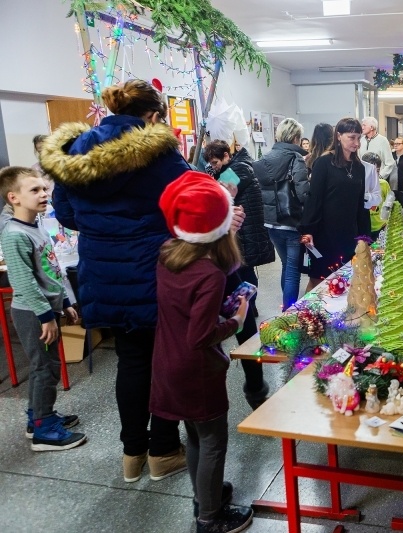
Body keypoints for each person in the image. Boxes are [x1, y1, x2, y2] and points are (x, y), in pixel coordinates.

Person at [38, 79, 188, 482]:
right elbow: (188, 206)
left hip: (101, 272)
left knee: (132, 360)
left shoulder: (75, 153)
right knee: (165, 362)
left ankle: (131, 454)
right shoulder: (161, 155)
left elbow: (67, 216)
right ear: (154, 116)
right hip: (153, 269)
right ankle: (163, 451)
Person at [150, 171, 254, 533]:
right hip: (197, 373)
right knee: (212, 441)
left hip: (167, 364)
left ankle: (203, 496)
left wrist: (220, 308)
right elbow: (200, 336)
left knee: (194, 435)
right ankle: (209, 519)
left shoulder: (168, 255)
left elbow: (185, 312)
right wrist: (237, 319)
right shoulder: (210, 273)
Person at [0, 167, 85, 451]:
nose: (44, 194)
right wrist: (46, 316)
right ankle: (43, 430)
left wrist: (66, 302)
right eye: (34, 190)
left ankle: (36, 416)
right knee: (44, 369)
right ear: (14, 198)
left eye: (44, 189)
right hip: (32, 312)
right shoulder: (13, 234)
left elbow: (52, 270)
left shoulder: (36, 225)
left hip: (47, 309)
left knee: (48, 366)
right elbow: (24, 282)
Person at [205, 139, 272, 408]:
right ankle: (255, 386)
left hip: (239, 244)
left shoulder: (239, 170)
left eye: (215, 161)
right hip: (235, 245)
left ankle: (255, 384)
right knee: (245, 294)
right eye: (210, 163)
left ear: (226, 156)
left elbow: (219, 193)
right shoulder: (236, 167)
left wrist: (212, 181)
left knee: (244, 297)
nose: (213, 166)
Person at [299, 118, 372, 292]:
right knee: (319, 280)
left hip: (348, 233)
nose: (356, 143)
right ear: (338, 136)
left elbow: (360, 204)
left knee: (345, 279)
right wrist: (307, 230)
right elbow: (314, 198)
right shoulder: (323, 163)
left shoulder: (359, 167)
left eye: (358, 138)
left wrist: (365, 236)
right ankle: (307, 317)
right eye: (352, 137)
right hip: (324, 233)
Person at [255, 118, 310, 312]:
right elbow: (303, 192)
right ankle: (289, 313)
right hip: (291, 221)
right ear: (295, 137)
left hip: (271, 223)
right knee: (293, 271)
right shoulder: (296, 159)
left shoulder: (264, 159)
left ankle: (286, 310)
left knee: (286, 266)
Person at [358, 117, 395, 188]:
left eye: (364, 125)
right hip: (364, 180)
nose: (362, 128)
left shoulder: (383, 140)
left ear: (371, 127)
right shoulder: (361, 141)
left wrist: (380, 177)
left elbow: (390, 163)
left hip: (378, 182)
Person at [361, 152, 391, 240]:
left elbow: (389, 205)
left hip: (381, 227)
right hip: (365, 228)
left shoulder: (384, 184)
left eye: (377, 171)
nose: (374, 174)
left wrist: (388, 222)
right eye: (370, 171)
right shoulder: (360, 185)